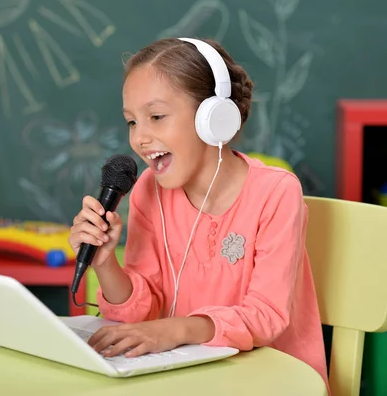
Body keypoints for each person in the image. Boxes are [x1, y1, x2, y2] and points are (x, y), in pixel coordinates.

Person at [67, 37, 329, 388]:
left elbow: (265, 315)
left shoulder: (276, 192)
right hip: (186, 378)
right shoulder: (149, 190)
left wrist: (172, 330)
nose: (139, 138)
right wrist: (105, 264)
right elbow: (141, 312)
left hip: (270, 381)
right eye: (132, 122)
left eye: (156, 117)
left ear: (214, 117)